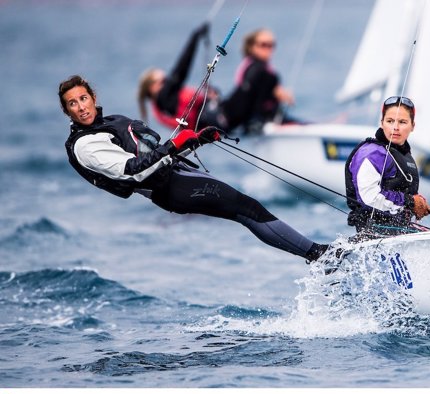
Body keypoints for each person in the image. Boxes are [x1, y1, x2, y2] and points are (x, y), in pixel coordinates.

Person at [60, 75, 329, 262]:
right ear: (67, 111)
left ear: (93, 97)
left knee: (248, 209)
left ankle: (317, 254)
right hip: (169, 189)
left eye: (83, 98)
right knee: (248, 209)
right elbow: (132, 171)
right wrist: (174, 145)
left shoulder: (113, 121)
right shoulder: (86, 144)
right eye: (73, 104)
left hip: (178, 174)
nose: (81, 107)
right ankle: (319, 255)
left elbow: (158, 154)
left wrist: (196, 141)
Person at [345, 96, 430, 238]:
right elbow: (368, 197)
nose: (395, 127)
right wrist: (410, 202)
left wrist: (418, 203)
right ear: (382, 123)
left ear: (413, 126)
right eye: (390, 121)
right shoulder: (372, 153)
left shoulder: (403, 154)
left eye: (402, 122)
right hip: (373, 235)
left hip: (398, 232)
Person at [138, 22, 221, 130]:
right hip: (209, 119)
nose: (167, 80)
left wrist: (211, 96)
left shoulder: (163, 100)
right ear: (152, 87)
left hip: (209, 118)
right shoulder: (163, 96)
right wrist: (195, 36)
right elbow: (181, 68)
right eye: (163, 81)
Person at [219, 28, 298, 134]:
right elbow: (247, 96)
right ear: (252, 47)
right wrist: (278, 93)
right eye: (264, 45)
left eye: (272, 45)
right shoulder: (258, 69)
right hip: (252, 124)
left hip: (255, 121)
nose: (269, 49)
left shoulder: (250, 65)